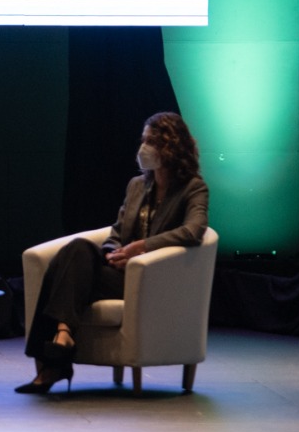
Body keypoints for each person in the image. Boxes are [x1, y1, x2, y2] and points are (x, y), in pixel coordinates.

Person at [16, 111, 209, 394]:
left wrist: (140, 249)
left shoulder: (193, 188)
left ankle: (52, 365)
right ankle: (63, 333)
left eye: (152, 141)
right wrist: (114, 253)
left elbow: (194, 230)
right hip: (119, 272)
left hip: (151, 278)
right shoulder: (137, 185)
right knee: (77, 249)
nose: (144, 148)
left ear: (170, 146)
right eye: (143, 140)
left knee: (64, 268)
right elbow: (116, 232)